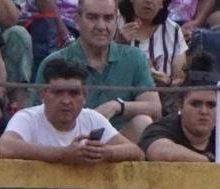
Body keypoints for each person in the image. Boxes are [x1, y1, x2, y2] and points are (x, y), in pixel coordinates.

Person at [35, 0, 158, 139]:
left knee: (142, 122)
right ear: (77, 20)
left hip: (122, 145)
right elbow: (36, 116)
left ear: (117, 21)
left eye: (108, 18)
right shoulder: (53, 62)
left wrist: (117, 106)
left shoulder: (135, 57)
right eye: (92, 17)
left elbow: (155, 107)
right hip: (69, 142)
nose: (101, 26)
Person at [0, 56, 144, 161]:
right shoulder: (27, 118)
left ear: (84, 95)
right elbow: (3, 148)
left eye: (74, 93)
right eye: (58, 92)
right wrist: (63, 155)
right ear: (43, 93)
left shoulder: (92, 118)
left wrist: (104, 153)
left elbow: (136, 152)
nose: (66, 101)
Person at [138, 72, 220, 159]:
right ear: (180, 104)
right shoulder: (159, 129)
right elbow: (161, 153)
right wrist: (209, 164)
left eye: (211, 105)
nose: (204, 111)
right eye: (195, 104)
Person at [116, 0, 185, 87]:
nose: (149, 1)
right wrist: (120, 45)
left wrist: (167, 81)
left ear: (162, 3)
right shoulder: (113, 25)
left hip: (163, 97)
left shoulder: (173, 30)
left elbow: (180, 79)